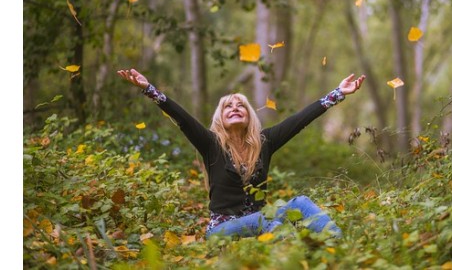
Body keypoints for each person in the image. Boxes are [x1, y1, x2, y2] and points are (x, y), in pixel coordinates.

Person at [117, 68, 365, 239]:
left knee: (299, 204)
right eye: (228, 106)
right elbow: (181, 117)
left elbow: (299, 120)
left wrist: (338, 93)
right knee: (268, 222)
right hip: (222, 229)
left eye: (240, 105)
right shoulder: (211, 143)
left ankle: (338, 245)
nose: (235, 108)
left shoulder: (264, 142)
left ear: (249, 116)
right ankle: (290, 246)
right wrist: (149, 88)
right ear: (220, 118)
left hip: (261, 218)